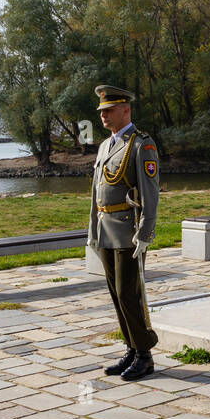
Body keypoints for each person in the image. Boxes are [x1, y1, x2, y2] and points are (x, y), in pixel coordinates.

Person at [88, 85, 160, 380]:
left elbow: (149, 193)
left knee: (130, 294)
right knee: (116, 294)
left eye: (109, 110)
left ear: (126, 110)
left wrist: (145, 234)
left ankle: (145, 355)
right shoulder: (105, 146)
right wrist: (92, 230)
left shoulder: (142, 144)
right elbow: (95, 193)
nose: (103, 115)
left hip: (128, 231)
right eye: (101, 111)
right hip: (106, 230)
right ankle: (131, 347)